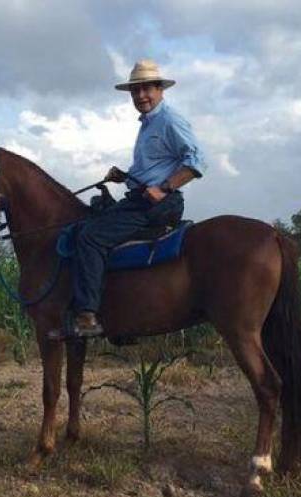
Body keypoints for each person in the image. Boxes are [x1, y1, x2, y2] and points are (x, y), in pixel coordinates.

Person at [68, 59, 206, 337]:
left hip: (157, 203)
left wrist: (165, 188)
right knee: (88, 224)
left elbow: (196, 162)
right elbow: (152, 168)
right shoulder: (148, 123)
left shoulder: (169, 120)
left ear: (160, 90)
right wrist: (125, 176)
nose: (141, 96)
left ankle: (88, 316)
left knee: (90, 238)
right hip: (140, 196)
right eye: (136, 91)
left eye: (146, 89)